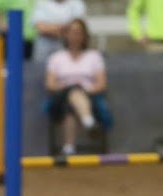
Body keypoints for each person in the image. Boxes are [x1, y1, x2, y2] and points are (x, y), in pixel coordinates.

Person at [44, 18, 112, 155]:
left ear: (85, 35)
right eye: (72, 32)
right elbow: (50, 84)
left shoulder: (94, 56)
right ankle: (88, 122)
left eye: (79, 32)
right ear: (66, 35)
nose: (76, 36)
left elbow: (101, 84)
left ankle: (69, 147)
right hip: (61, 95)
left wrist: (86, 90)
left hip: (89, 96)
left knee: (71, 104)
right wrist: (65, 87)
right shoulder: (56, 58)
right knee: (72, 91)